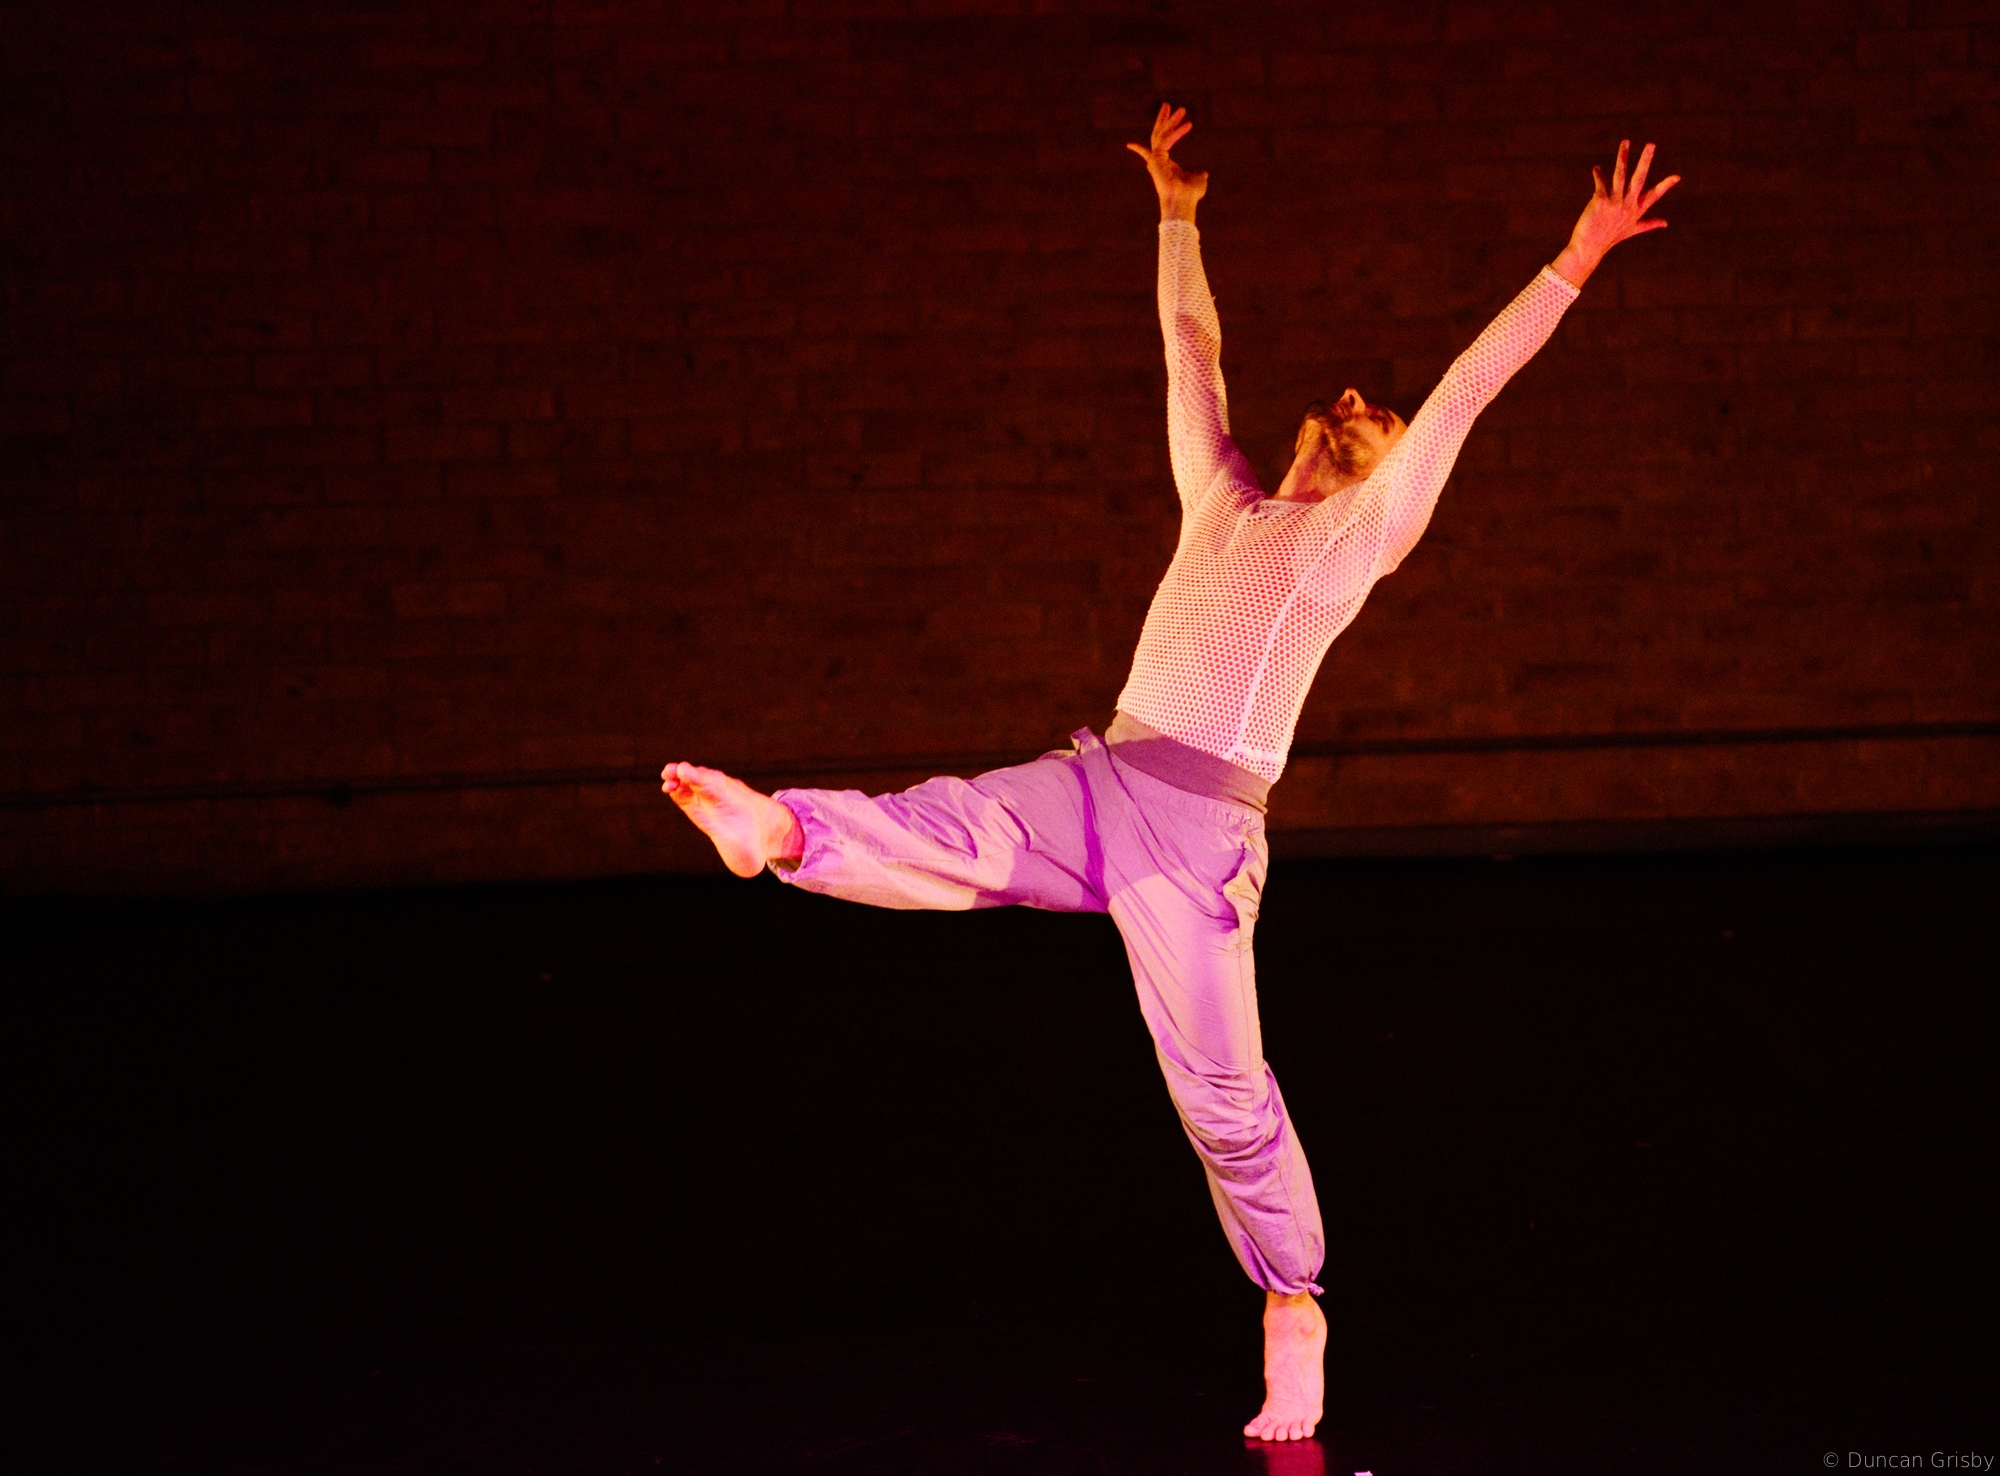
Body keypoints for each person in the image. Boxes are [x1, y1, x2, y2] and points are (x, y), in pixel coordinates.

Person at [661, 105, 1678, 1442]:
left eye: (1378, 417)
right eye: (1353, 399)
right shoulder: (1223, 499)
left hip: (1200, 837)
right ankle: (784, 835)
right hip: (1104, 779)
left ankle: (1292, 1301)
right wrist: (1178, 217)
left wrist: (1578, 256)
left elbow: (1464, 394)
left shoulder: (1357, 540)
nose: (1362, 405)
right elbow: (1189, 355)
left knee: (1223, 1092)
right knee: (952, 824)